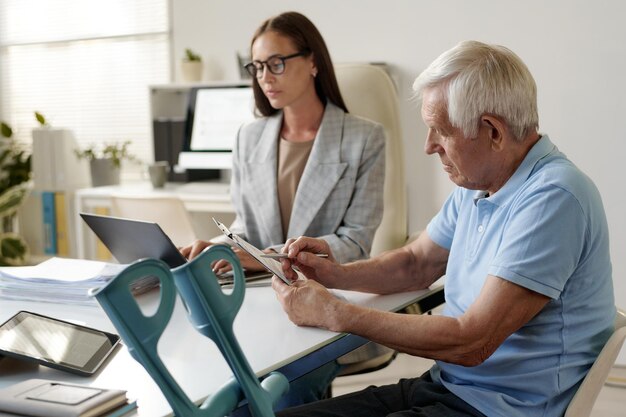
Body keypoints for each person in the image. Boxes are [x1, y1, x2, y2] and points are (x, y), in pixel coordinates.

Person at [271, 40, 615, 417]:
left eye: (440, 131)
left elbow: (473, 341)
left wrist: (336, 313)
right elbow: (416, 263)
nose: (428, 146)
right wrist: (335, 274)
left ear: (492, 132)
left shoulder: (555, 198)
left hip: (502, 408)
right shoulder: (479, 185)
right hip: (447, 386)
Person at [179, 11, 386, 407]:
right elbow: (244, 223)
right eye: (257, 67)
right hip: (253, 304)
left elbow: (355, 243)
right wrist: (221, 249)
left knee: (276, 395)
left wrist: (260, 258)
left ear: (312, 63)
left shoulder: (365, 138)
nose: (265, 77)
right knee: (213, 389)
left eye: (276, 63)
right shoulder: (249, 137)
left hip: (326, 307)